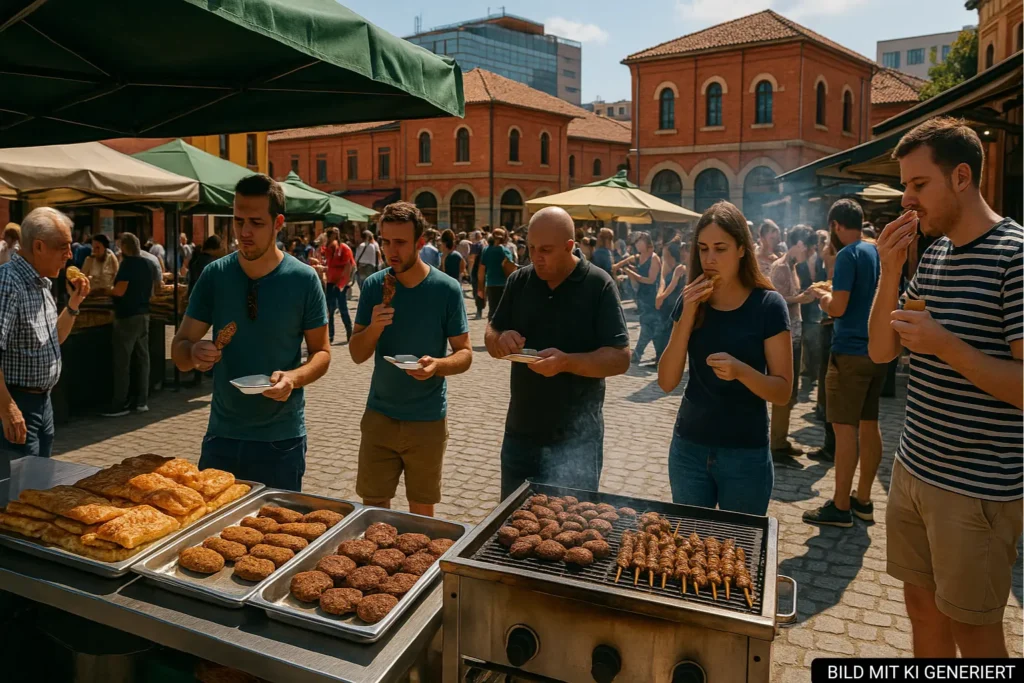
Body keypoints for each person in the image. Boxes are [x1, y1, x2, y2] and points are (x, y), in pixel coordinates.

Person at [868, 118, 1022, 658]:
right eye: (904, 186)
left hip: (976, 488)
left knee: (975, 635)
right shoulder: (934, 254)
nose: (906, 200)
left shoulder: (1015, 255)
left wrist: (945, 343)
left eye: (917, 185)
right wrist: (888, 270)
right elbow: (882, 352)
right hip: (913, 470)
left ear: (961, 176)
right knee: (920, 612)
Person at [171, 174, 330, 490]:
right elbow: (179, 351)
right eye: (238, 220)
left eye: (256, 223)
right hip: (222, 437)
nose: (244, 232)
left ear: (278, 222)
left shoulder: (303, 280)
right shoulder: (215, 275)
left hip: (281, 440)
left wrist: (293, 378)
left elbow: (322, 353)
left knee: (279, 534)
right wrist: (192, 352)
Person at [657, 201, 792, 515]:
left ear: (742, 249)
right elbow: (666, 381)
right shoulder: (691, 299)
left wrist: (742, 371)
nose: (710, 259)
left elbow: (783, 391)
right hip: (688, 449)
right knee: (689, 550)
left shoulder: (768, 305)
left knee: (737, 554)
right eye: (703, 249)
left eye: (720, 248)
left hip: (745, 454)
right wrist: (688, 313)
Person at [486, 207, 630, 498]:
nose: (536, 257)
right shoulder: (520, 280)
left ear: (569, 246)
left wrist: (567, 362)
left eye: (546, 250)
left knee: (574, 531)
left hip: (576, 441)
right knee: (511, 527)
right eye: (532, 248)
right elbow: (492, 333)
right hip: (520, 433)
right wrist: (501, 339)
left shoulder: (598, 284)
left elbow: (620, 357)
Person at [350, 202, 471, 516]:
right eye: (385, 241)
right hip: (379, 415)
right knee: (374, 510)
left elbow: (465, 354)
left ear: (420, 243)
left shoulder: (447, 289)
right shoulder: (375, 286)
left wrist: (438, 366)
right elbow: (357, 354)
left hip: (427, 419)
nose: (391, 250)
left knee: (421, 513)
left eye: (400, 243)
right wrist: (375, 326)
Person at [803, 199, 887, 528]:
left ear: (836, 225)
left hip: (849, 350)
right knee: (870, 423)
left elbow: (838, 307)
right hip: (876, 349)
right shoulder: (876, 250)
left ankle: (840, 505)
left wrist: (820, 296)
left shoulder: (849, 254)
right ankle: (863, 499)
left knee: (845, 430)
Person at [0, 208, 89, 468]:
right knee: (15, 493)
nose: (70, 255)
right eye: (63, 246)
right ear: (38, 246)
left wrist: (74, 303)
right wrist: (7, 408)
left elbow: (53, 339)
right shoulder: (8, 283)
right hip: (16, 401)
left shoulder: (41, 283)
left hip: (42, 402)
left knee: (37, 484)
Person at [768, 226, 819, 462]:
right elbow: (774, 301)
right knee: (785, 393)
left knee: (791, 394)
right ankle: (776, 444)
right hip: (784, 337)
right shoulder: (780, 267)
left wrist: (804, 295)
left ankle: (780, 439)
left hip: (794, 334)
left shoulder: (792, 266)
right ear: (798, 244)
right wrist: (800, 298)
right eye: (808, 247)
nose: (809, 252)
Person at [102, 234, 154, 417]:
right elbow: (154, 290)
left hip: (127, 316)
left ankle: (120, 403)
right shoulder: (148, 264)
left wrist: (105, 289)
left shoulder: (127, 264)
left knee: (122, 362)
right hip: (144, 314)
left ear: (124, 247)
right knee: (142, 359)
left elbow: (119, 290)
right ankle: (142, 401)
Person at [621, 232, 661, 365]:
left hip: (651, 296)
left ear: (646, 243)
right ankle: (660, 355)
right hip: (642, 296)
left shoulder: (654, 258)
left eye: (640, 242)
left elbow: (651, 280)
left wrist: (632, 274)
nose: (637, 244)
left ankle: (638, 353)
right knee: (652, 327)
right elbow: (640, 270)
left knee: (647, 325)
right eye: (636, 242)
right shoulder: (640, 256)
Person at [795, 229, 825, 395]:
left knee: (814, 340)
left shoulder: (821, 260)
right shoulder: (799, 262)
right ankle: (806, 370)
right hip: (802, 304)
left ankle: (813, 372)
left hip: (817, 305)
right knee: (804, 339)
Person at [654, 241, 686, 363]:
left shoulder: (680, 268)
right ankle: (660, 357)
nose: (663, 255)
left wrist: (661, 297)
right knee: (660, 333)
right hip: (665, 305)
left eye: (665, 253)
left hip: (673, 306)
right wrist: (659, 296)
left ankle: (664, 359)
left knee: (667, 334)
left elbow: (673, 285)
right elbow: (662, 281)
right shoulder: (667, 266)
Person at [323, 227, 355, 344]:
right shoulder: (328, 249)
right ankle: (330, 336)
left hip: (341, 283)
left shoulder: (344, 248)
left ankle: (349, 333)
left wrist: (342, 284)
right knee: (330, 310)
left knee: (343, 309)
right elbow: (327, 263)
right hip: (331, 282)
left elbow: (349, 266)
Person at [478, 227, 515, 318]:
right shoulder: (505, 251)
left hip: (491, 284)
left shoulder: (486, 250)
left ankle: (492, 330)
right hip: (504, 284)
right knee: (504, 312)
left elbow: (481, 270)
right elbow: (511, 269)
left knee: (492, 310)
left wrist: (480, 288)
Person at [468, 230, 486, 317]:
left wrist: (470, 271)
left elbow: (472, 259)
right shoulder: (485, 245)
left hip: (476, 271)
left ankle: (479, 310)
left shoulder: (475, 246)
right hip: (485, 271)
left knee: (477, 290)